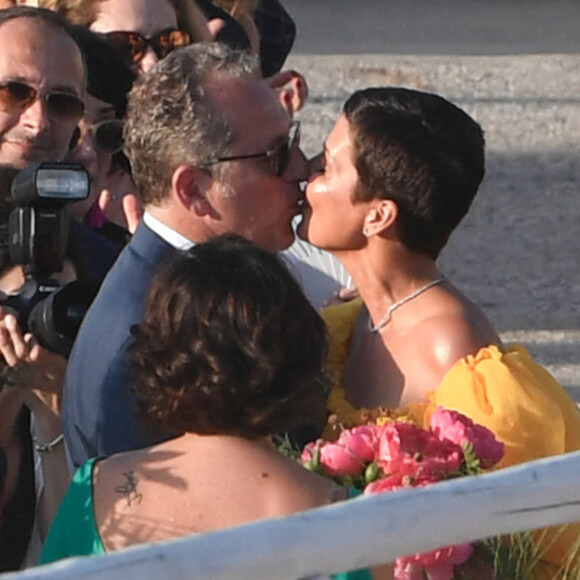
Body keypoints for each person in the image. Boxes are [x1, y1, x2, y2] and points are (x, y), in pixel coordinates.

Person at [298, 87, 580, 576]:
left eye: (326, 166)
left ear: (379, 215)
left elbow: (529, 553)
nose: (308, 178)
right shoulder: (346, 323)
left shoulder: (459, 356)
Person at [63, 42, 308, 469]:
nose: (302, 168)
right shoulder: (144, 344)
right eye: (276, 155)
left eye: (295, 140)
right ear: (193, 189)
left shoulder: (185, 289)